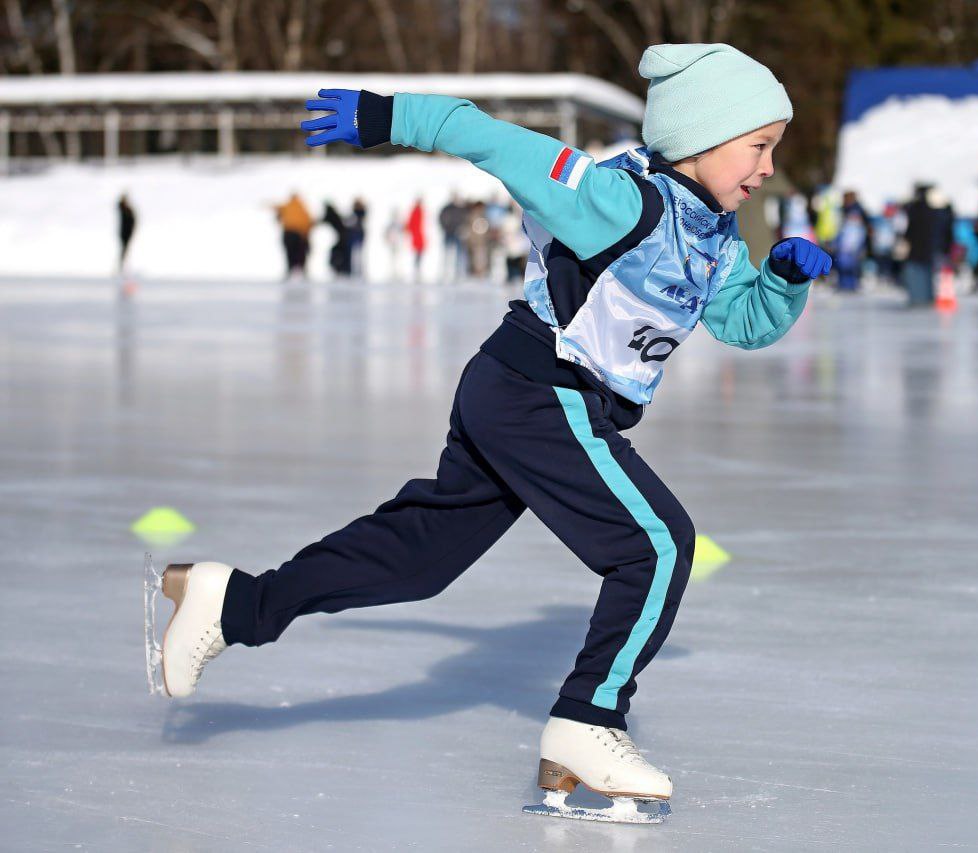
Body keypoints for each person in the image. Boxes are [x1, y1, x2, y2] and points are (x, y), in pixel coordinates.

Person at [150, 44, 830, 820]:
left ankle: (234, 603)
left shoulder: (711, 229)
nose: (768, 168)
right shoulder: (618, 199)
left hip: (534, 397)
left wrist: (780, 280)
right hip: (542, 389)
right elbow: (497, 141)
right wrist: (387, 116)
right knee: (656, 545)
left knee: (420, 559)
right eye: (759, 146)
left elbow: (740, 321)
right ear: (704, 136)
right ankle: (588, 722)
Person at [274, 192, 313, 280]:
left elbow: (276, 208)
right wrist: (306, 234)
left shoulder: (287, 205)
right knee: (300, 253)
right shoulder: (302, 207)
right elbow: (309, 221)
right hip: (299, 234)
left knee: (289, 252)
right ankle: (302, 271)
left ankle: (290, 270)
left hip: (288, 232)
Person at [405, 197, 427, 282]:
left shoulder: (420, 211)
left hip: (419, 236)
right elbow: (410, 224)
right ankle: (416, 271)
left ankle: (417, 271)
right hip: (417, 236)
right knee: (417, 255)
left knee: (419, 255)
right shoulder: (416, 211)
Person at [117, 194, 136, 275]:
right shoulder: (124, 210)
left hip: (127, 233)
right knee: (124, 250)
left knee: (126, 250)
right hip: (124, 233)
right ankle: (122, 268)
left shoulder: (128, 210)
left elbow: (133, 221)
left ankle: (125, 267)